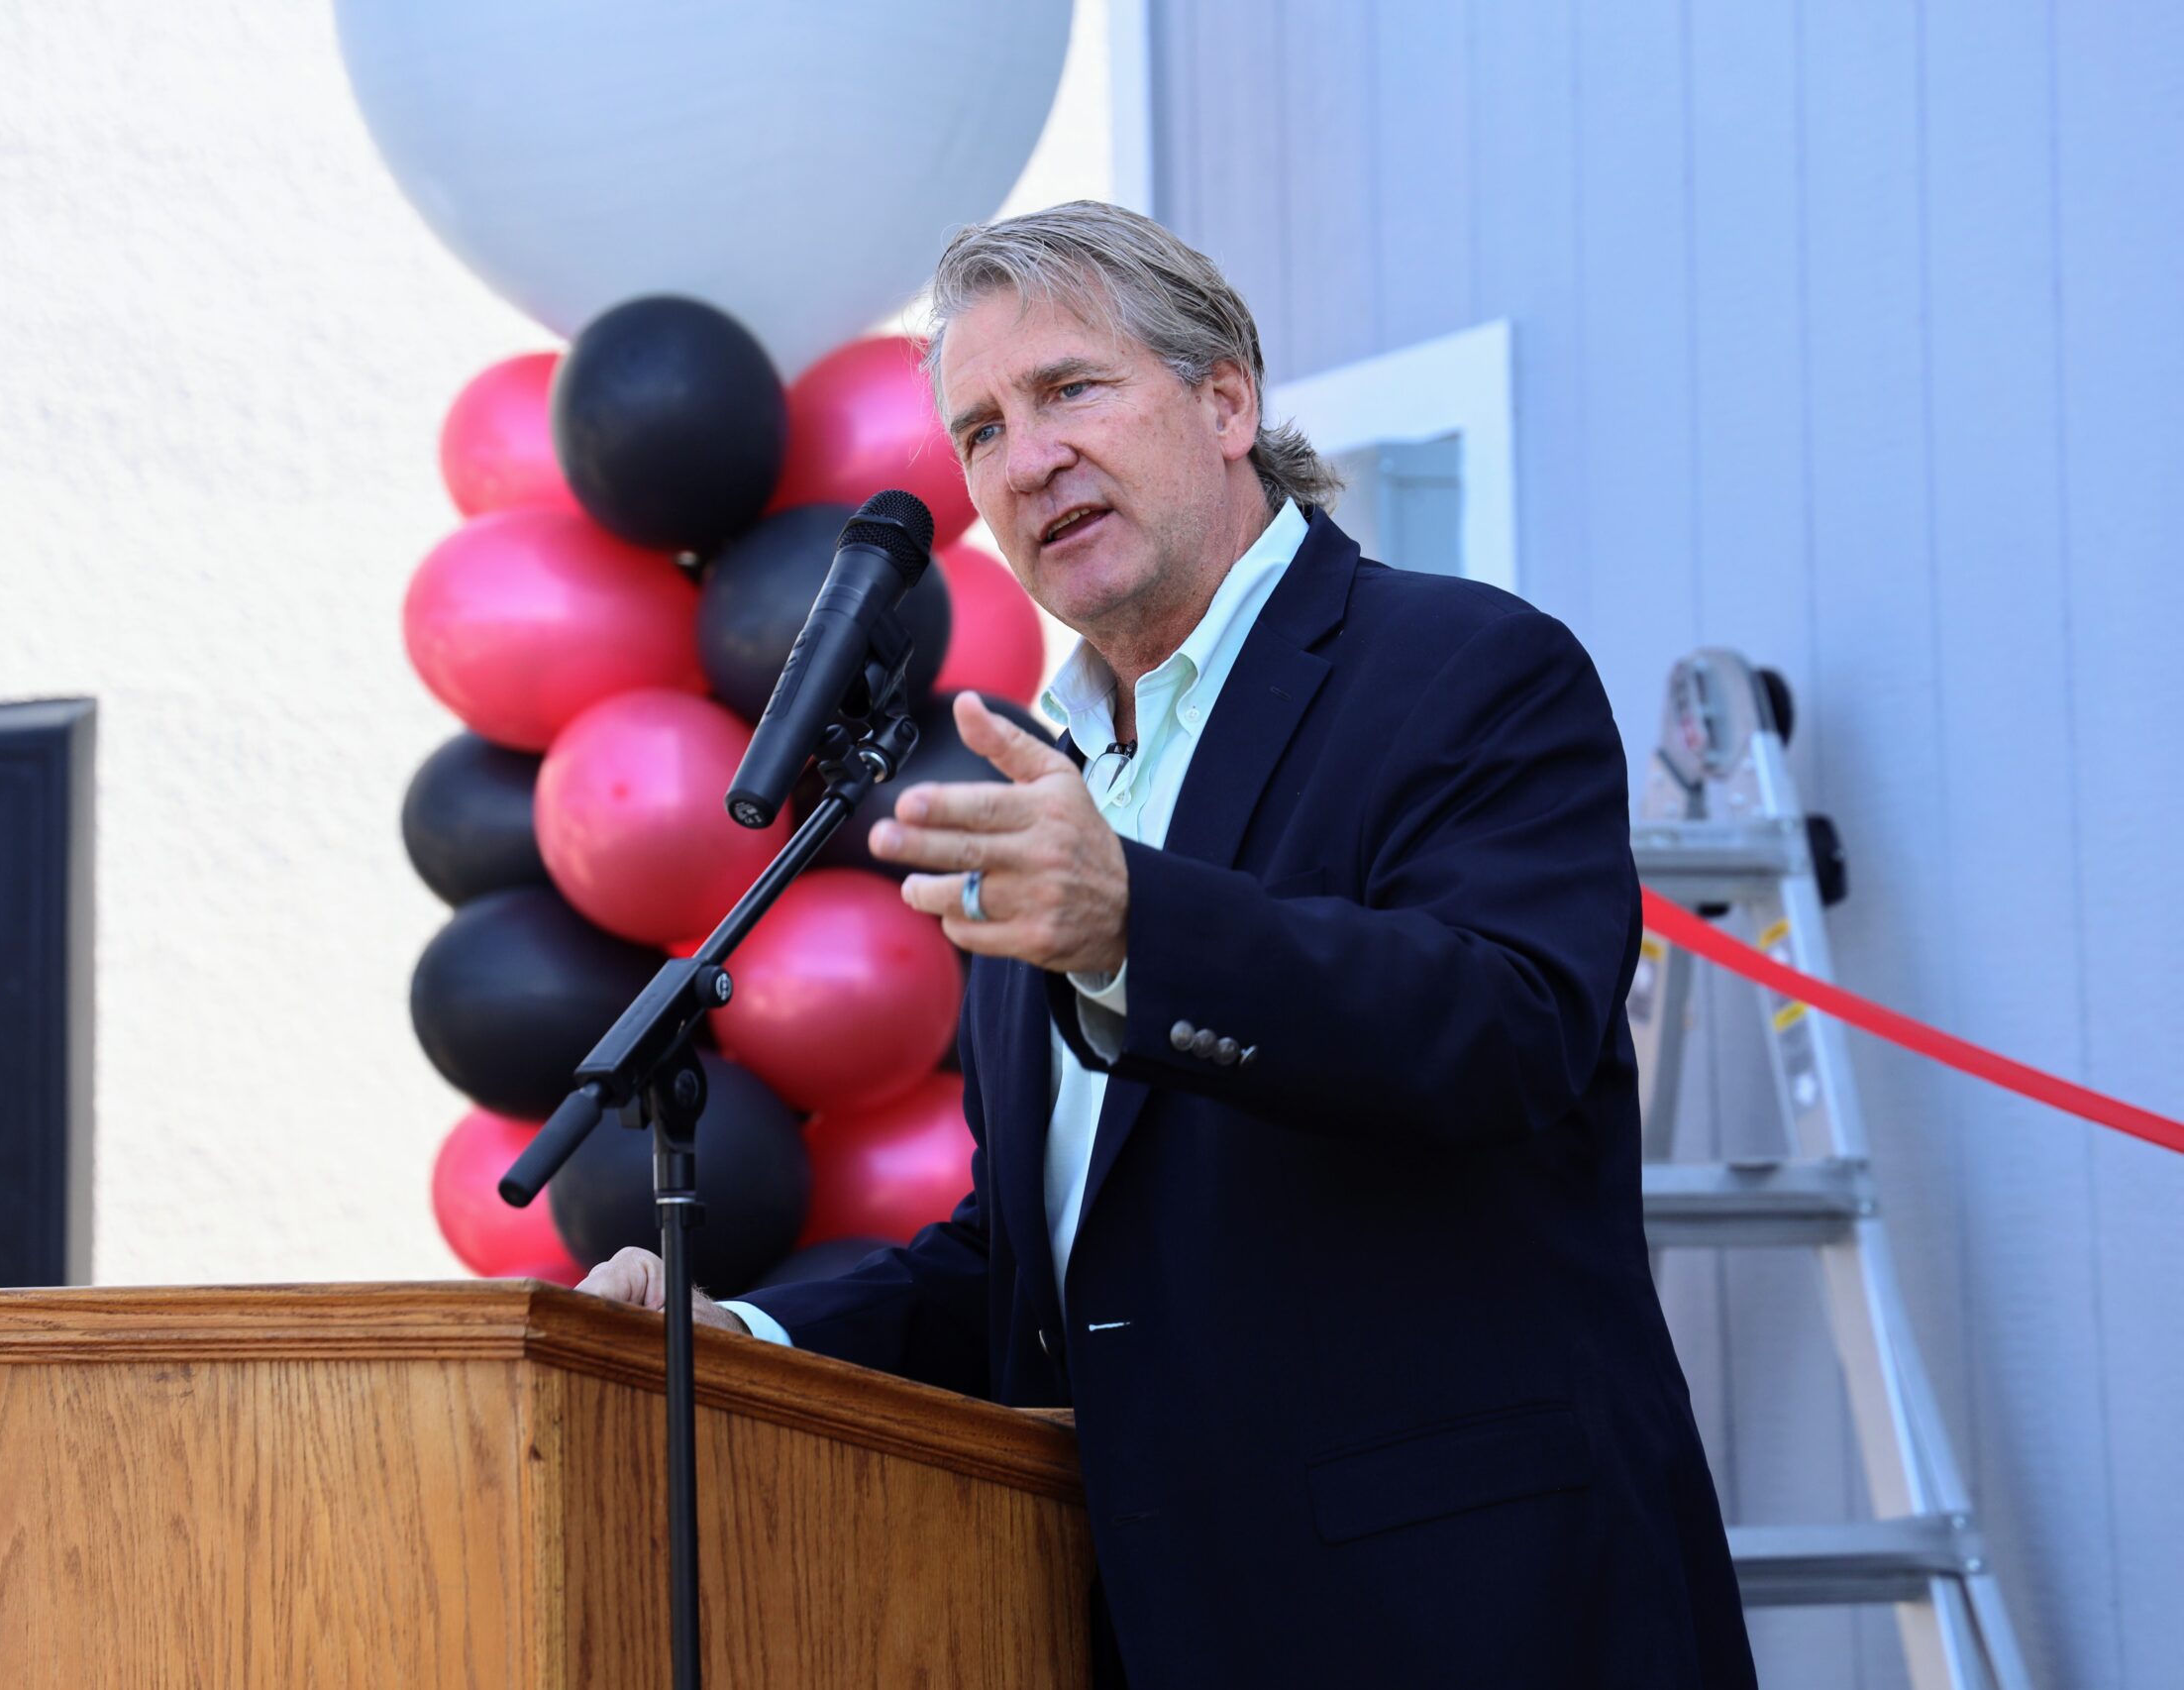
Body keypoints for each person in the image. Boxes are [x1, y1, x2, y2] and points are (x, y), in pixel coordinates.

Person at [579, 201, 1756, 1688]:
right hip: (1155, 1625)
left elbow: (1504, 1029)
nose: (1028, 456)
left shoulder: (1467, 669)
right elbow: (1029, 1260)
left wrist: (1138, 921)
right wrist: (737, 1331)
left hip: (1472, 1616)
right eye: (982, 431)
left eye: (1071, 388)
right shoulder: (1045, 775)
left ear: (1226, 401)